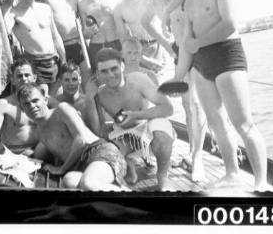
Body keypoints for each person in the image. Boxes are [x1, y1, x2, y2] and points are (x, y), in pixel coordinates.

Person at [168, 0, 268, 190]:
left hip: (226, 54)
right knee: (216, 122)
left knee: (243, 123)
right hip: (201, 62)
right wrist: (178, 76)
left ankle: (261, 183)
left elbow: (230, 23)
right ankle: (232, 172)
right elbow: (186, 42)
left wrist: (195, 44)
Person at [137, 0, 208, 182]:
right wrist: (167, 46)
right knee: (188, 105)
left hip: (198, 50)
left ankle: (198, 159)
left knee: (198, 105)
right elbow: (145, 23)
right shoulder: (153, 4)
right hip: (179, 53)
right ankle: (192, 152)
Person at [88, 48, 175, 191]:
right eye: (104, 71)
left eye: (114, 68)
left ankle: (162, 176)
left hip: (148, 124)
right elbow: (98, 132)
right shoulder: (100, 94)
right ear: (97, 74)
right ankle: (128, 164)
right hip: (125, 134)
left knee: (162, 135)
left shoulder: (138, 80)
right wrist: (90, 100)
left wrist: (136, 115)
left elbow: (168, 108)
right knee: (109, 151)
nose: (110, 75)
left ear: (122, 66)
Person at [17, 83, 128, 191]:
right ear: (22, 108)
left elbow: (81, 140)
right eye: (26, 104)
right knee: (69, 180)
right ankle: (119, 189)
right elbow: (42, 153)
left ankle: (136, 195)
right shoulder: (38, 132)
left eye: (35, 100)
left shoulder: (61, 110)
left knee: (88, 184)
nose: (32, 106)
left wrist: (61, 169)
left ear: (45, 100)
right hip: (80, 166)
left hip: (100, 152)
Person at [5, 0, 66, 94]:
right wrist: (7, 6)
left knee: (58, 97)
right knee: (43, 98)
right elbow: (4, 32)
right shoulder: (14, 13)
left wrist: (64, 60)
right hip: (36, 65)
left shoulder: (45, 8)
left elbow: (56, 37)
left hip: (54, 61)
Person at [112, 0, 165, 73]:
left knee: (170, 86)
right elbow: (124, 40)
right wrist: (143, 59)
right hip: (140, 51)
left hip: (162, 44)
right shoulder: (118, 9)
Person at [0, 58, 39, 155]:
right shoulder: (3, 104)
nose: (24, 79)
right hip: (11, 153)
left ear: (34, 77)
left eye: (27, 75)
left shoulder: (44, 101)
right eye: (19, 76)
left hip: (38, 152)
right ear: (12, 80)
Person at [79, 0, 122, 73]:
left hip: (116, 42)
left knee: (119, 75)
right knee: (100, 78)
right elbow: (84, 33)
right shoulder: (83, 4)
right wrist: (89, 32)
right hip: (96, 46)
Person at [54, 61, 98, 128]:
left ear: (80, 80)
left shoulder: (88, 101)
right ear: (60, 82)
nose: (71, 83)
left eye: (74, 79)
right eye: (66, 80)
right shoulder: (56, 104)